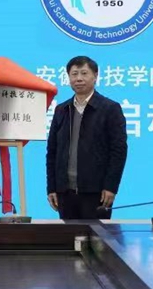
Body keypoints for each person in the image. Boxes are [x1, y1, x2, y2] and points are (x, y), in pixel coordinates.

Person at [46, 55, 128, 219]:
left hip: (97, 191)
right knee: (68, 235)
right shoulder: (61, 110)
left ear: (95, 76)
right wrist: (52, 188)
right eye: (74, 74)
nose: (79, 78)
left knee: (97, 235)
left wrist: (111, 186)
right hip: (65, 192)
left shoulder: (109, 109)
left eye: (84, 73)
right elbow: (52, 151)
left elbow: (118, 151)